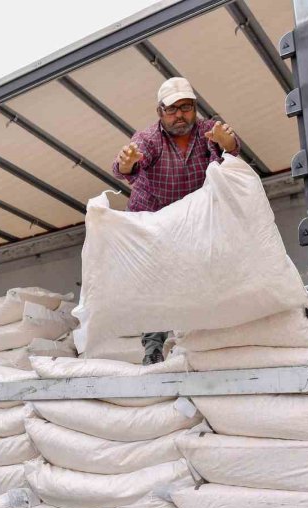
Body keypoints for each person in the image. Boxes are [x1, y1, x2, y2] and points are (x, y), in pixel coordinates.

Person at [112, 77, 240, 365]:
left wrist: (226, 141)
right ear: (160, 112)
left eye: (186, 107)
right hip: (154, 217)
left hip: (193, 217)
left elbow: (233, 148)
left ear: (195, 108)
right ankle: (153, 348)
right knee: (155, 281)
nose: (180, 115)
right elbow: (125, 166)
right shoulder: (150, 138)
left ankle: (202, 340)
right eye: (172, 109)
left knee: (203, 271)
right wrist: (127, 161)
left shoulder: (209, 130)